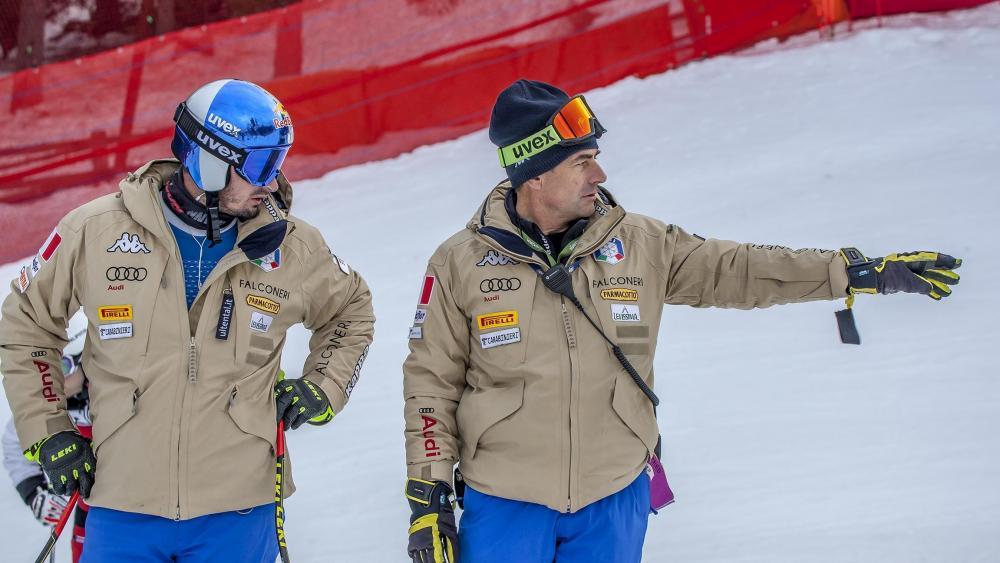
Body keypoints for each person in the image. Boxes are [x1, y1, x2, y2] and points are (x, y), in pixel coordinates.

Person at [401, 79, 961, 563]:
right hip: (504, 501)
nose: (599, 172)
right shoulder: (461, 263)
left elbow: (741, 269)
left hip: (613, 496)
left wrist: (851, 271)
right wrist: (427, 497)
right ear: (536, 176)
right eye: (580, 161)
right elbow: (431, 381)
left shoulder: (641, 245)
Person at [1, 78, 375, 562]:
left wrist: (323, 386)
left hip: (240, 510)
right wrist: (50, 430)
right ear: (210, 159)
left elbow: (352, 310)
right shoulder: (95, 231)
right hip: (123, 505)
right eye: (260, 164)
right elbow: (26, 323)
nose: (271, 181)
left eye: (277, 163)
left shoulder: (291, 245)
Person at [3, 313, 90, 562]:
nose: (55, 379)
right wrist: (34, 493)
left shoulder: (110, 397)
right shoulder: (47, 406)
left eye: (63, 367)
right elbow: (15, 442)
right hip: (87, 512)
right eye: (47, 369)